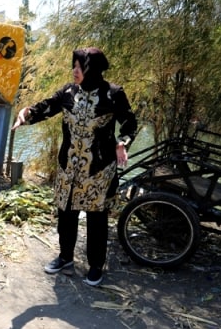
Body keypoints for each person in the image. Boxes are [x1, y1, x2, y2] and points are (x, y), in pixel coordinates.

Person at [12, 47, 137, 286]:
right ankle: (65, 257)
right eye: (74, 66)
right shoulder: (68, 92)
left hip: (98, 170)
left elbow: (130, 124)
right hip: (68, 166)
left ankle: (95, 266)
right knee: (66, 215)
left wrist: (122, 143)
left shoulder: (113, 94)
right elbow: (46, 107)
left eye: (80, 67)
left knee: (96, 220)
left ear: (93, 70)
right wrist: (25, 115)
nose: (75, 71)